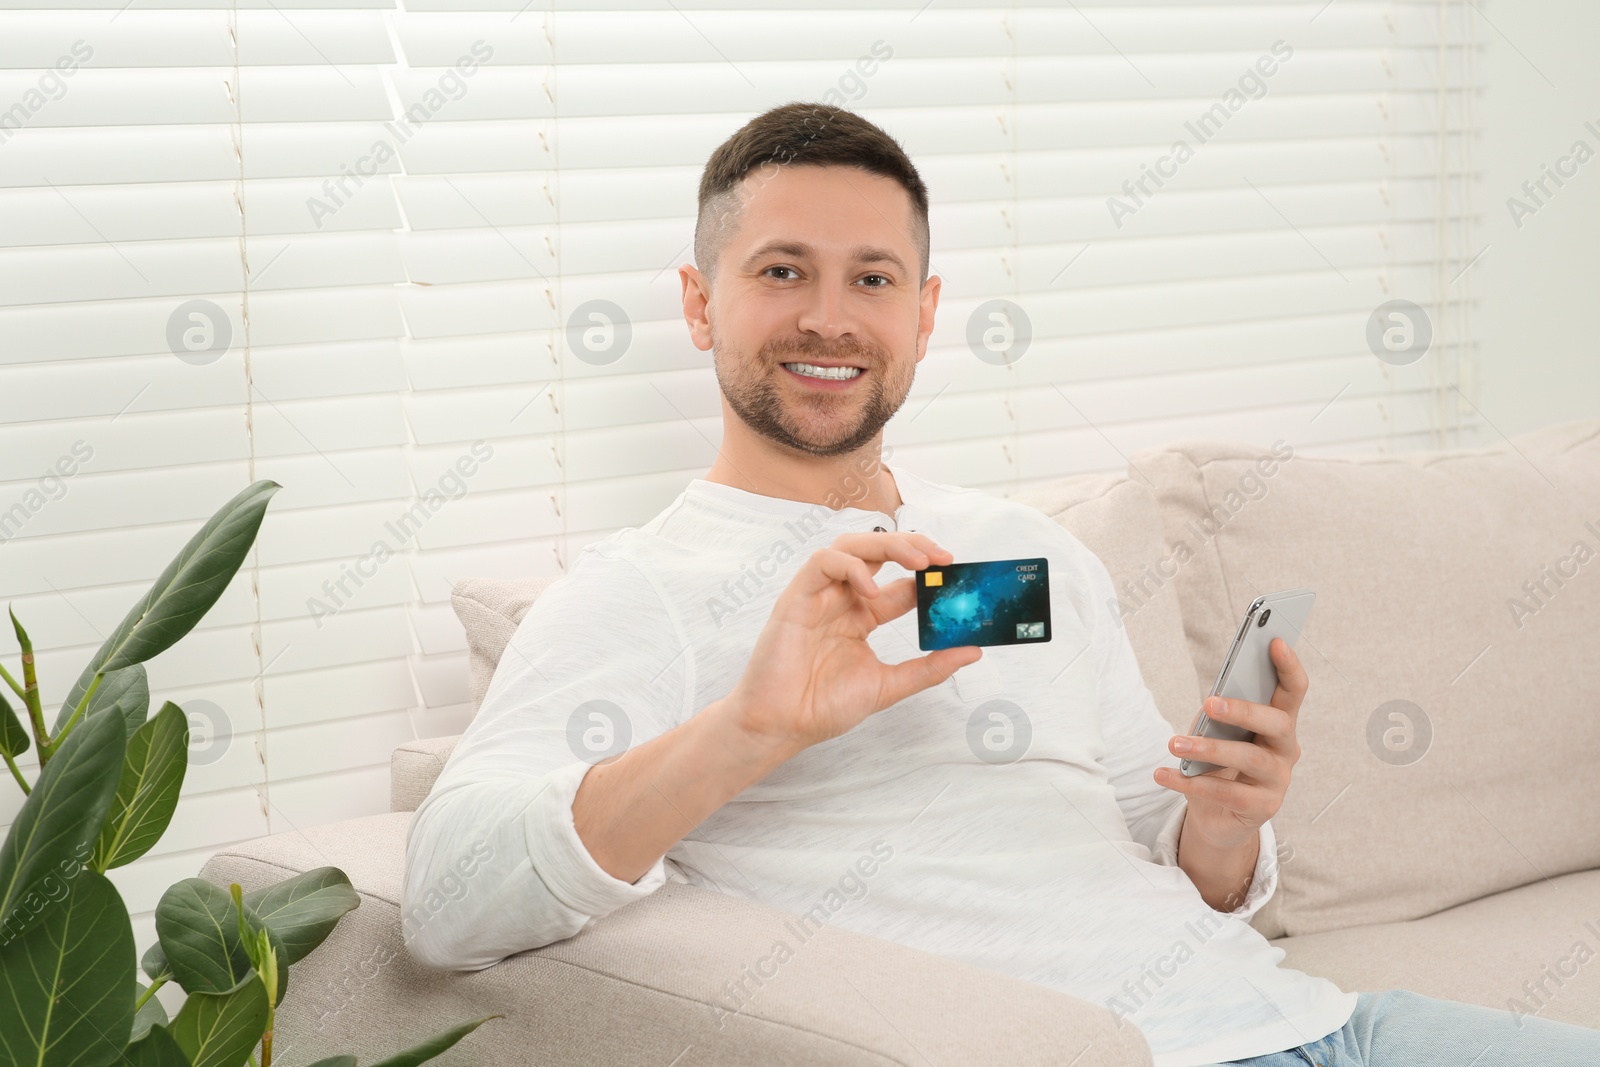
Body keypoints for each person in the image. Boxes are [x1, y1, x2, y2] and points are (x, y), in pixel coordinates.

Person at [401, 102, 1600, 1067]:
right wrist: (747, 729)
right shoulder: (639, 589)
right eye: (781, 269)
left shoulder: (1015, 545)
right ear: (699, 299)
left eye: (873, 279)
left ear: (922, 316)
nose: (830, 316)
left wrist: (1226, 822)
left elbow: (1155, 837)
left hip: (1328, 1024)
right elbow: (446, 901)